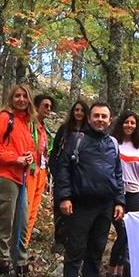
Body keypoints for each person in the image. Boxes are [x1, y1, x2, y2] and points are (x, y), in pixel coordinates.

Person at [52, 102, 124, 277]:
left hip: (105, 204)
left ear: (110, 120)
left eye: (104, 116)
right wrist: (64, 197)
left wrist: (119, 201)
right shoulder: (77, 139)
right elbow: (63, 169)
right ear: (89, 118)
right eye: (96, 116)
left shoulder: (113, 143)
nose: (100, 120)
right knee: (75, 249)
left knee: (96, 250)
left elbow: (118, 175)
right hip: (81, 203)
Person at [0, 85, 41, 277]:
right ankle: (2, 263)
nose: (21, 99)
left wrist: (29, 157)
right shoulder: (5, 118)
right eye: (17, 96)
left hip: (21, 177)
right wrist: (14, 158)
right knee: (6, 221)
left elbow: (31, 150)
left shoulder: (26, 123)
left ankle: (20, 263)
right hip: (4, 175)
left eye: (24, 96)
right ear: (11, 98)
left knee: (22, 221)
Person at [104, 110, 139, 277]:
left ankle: (119, 275)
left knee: (128, 236)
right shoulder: (113, 143)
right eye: (126, 122)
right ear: (121, 123)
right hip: (115, 192)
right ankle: (110, 273)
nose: (129, 125)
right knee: (122, 233)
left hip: (134, 194)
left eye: (133, 123)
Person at [49, 99, 88, 252]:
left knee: (77, 209)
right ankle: (59, 240)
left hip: (81, 177)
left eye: (82, 110)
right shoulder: (65, 129)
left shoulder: (89, 131)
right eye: (76, 110)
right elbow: (55, 151)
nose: (79, 113)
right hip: (62, 174)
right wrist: (55, 171)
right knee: (60, 207)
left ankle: (74, 241)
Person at [22, 93, 54, 249]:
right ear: (36, 106)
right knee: (25, 211)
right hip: (30, 172)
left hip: (41, 172)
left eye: (50, 107)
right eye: (45, 106)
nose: (48, 109)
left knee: (33, 210)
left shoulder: (43, 128)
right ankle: (18, 245)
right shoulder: (28, 125)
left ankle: (24, 244)